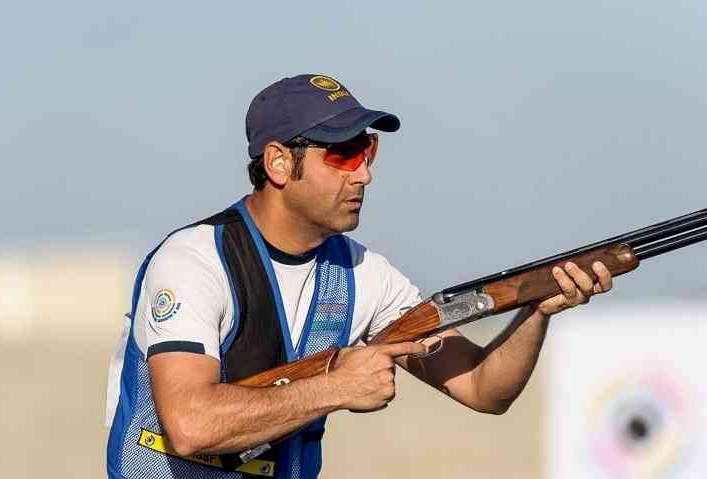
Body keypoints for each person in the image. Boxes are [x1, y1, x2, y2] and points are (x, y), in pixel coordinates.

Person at [105, 74, 614, 479]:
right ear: (279, 163)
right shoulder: (194, 261)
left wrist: (535, 309)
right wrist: (336, 386)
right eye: (342, 154)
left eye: (367, 150)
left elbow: (484, 389)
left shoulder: (366, 275)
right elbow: (192, 424)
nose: (364, 174)